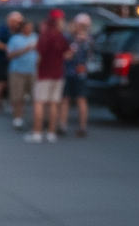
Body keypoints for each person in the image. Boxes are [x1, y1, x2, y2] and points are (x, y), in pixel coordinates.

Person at [26, 9, 70, 143]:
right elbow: (68, 54)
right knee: (53, 103)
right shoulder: (62, 37)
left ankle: (37, 132)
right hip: (58, 73)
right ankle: (51, 133)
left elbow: (39, 55)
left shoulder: (44, 36)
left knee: (39, 102)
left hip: (44, 73)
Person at [59, 12, 92, 137]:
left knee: (78, 99)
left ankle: (81, 126)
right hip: (72, 72)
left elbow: (67, 56)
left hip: (77, 72)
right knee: (67, 98)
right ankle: (63, 125)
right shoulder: (70, 37)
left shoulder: (84, 40)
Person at [0, 11, 22, 113]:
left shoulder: (15, 31)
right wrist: (10, 49)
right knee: (0, 82)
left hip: (9, 61)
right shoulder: (3, 29)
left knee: (5, 82)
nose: (16, 24)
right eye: (15, 21)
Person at [7, 19, 38, 129]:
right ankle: (18, 118)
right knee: (18, 96)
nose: (29, 29)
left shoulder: (36, 38)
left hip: (33, 71)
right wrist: (25, 50)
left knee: (35, 97)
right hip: (17, 71)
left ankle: (36, 120)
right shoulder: (15, 39)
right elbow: (9, 55)